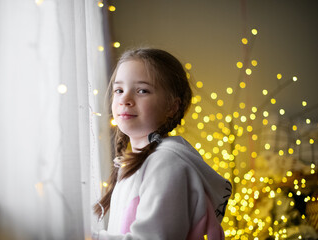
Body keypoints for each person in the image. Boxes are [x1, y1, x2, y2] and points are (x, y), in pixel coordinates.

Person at [92, 48, 232, 240]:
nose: (125, 99)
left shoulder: (166, 163)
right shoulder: (136, 163)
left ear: (172, 107)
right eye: (119, 90)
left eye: (142, 91)